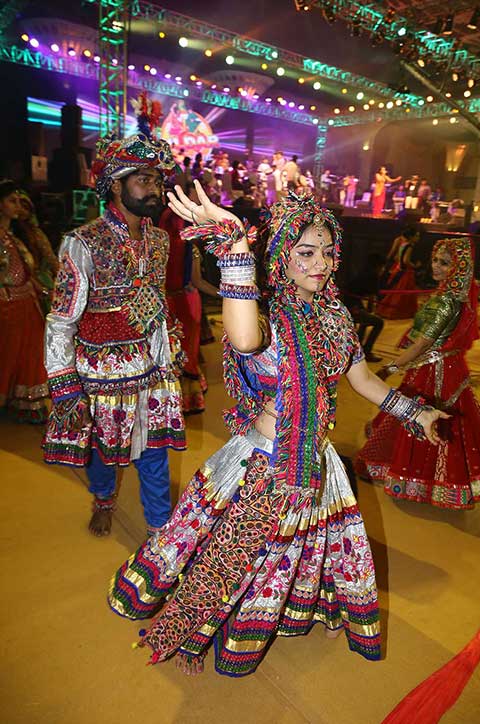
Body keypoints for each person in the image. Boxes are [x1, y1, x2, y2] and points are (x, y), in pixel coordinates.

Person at [108, 183, 447, 676]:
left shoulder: (336, 317)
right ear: (281, 256)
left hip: (315, 459)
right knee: (230, 554)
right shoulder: (267, 314)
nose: (320, 263)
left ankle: (274, 620)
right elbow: (244, 339)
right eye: (305, 252)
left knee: (292, 553)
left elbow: (363, 380)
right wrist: (235, 250)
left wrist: (417, 414)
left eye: (327, 252)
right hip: (264, 463)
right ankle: (189, 634)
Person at [42, 132, 186, 537]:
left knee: (155, 452)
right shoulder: (82, 242)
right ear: (116, 185)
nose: (155, 189)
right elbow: (61, 320)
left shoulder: (160, 240)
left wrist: (168, 351)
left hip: (152, 370)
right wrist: (64, 384)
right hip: (101, 373)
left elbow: (155, 301)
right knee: (103, 453)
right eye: (144, 179)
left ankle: (159, 531)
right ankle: (103, 499)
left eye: (158, 180)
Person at [357, 236, 480, 509]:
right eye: (435, 260)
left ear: (457, 269)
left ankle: (421, 480)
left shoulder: (446, 302)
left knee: (419, 416)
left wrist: (390, 368)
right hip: (446, 366)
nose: (436, 266)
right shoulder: (452, 296)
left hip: (435, 370)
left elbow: (422, 343)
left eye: (444, 263)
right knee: (443, 420)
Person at [160, 206, 218, 414]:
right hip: (186, 302)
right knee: (187, 353)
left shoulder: (156, 244)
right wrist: (228, 294)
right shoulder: (189, 248)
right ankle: (189, 400)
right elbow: (198, 282)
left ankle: (171, 403)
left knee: (170, 352)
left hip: (164, 303)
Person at [0, 179, 49, 422]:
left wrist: (43, 290)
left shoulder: (15, 236)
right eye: (12, 201)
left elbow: (28, 270)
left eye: (20, 201)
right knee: (7, 355)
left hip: (26, 302)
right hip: (7, 304)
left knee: (28, 354)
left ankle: (25, 403)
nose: (17, 206)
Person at [16, 189, 59, 315]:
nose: (20, 210)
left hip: (40, 280)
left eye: (25, 207)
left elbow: (50, 258)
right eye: (16, 204)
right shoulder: (9, 235)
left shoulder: (35, 233)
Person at [343, 254, 385, 362]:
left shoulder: (362, 273)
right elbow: (373, 296)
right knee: (379, 322)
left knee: (366, 320)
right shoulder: (372, 276)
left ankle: (358, 350)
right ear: (378, 266)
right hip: (351, 307)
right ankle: (366, 351)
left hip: (347, 304)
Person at [377, 227, 420, 319]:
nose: (418, 238)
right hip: (406, 272)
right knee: (402, 293)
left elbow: (397, 257)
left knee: (394, 292)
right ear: (411, 236)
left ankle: (386, 310)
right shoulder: (409, 246)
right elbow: (405, 261)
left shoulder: (402, 244)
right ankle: (399, 312)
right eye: (416, 236)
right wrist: (415, 266)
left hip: (398, 269)